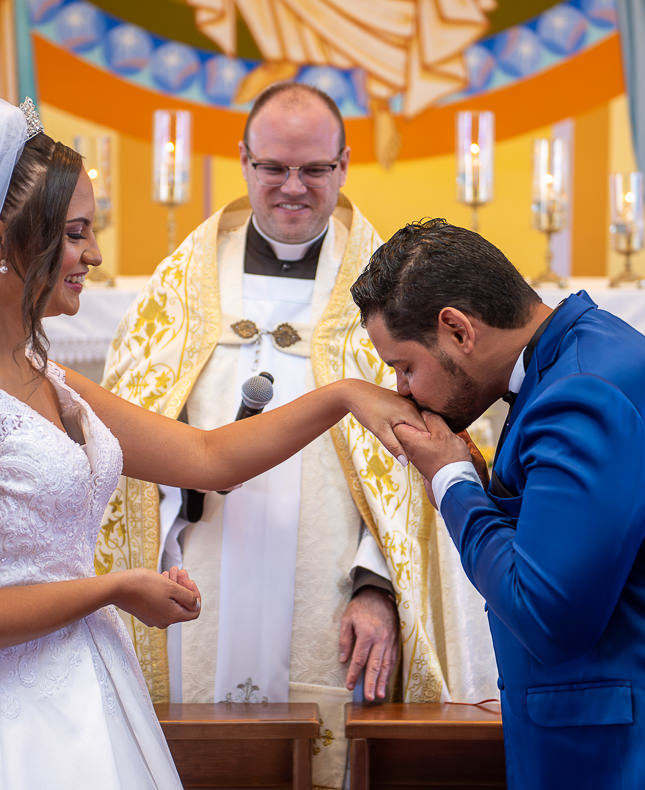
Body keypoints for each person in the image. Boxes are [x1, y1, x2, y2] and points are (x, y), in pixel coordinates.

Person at [0, 91, 420, 789]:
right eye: (74, 234)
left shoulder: (46, 377)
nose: (94, 254)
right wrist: (112, 588)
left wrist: (344, 396)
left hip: (80, 686)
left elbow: (208, 457)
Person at [102, 84, 495, 786]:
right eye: (273, 167)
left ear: (344, 165)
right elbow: (129, 434)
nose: (292, 187)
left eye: (313, 169)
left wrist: (380, 586)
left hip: (332, 587)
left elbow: (426, 450)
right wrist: (173, 499)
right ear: (243, 160)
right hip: (198, 572)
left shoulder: (393, 291)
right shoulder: (181, 288)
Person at [350, 218, 645, 789]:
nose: (402, 390)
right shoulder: (575, 359)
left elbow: (547, 616)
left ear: (457, 329)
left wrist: (451, 480)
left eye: (405, 367)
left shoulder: (583, 394)